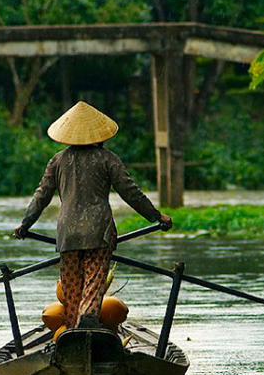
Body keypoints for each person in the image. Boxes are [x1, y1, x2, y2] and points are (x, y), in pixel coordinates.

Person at [13, 101, 173, 330]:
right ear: (101, 136)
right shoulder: (108, 159)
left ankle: (71, 329)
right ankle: (88, 317)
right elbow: (130, 192)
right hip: (99, 232)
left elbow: (42, 196)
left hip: (67, 234)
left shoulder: (57, 161)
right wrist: (156, 216)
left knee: (70, 287)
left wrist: (25, 225)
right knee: (93, 281)